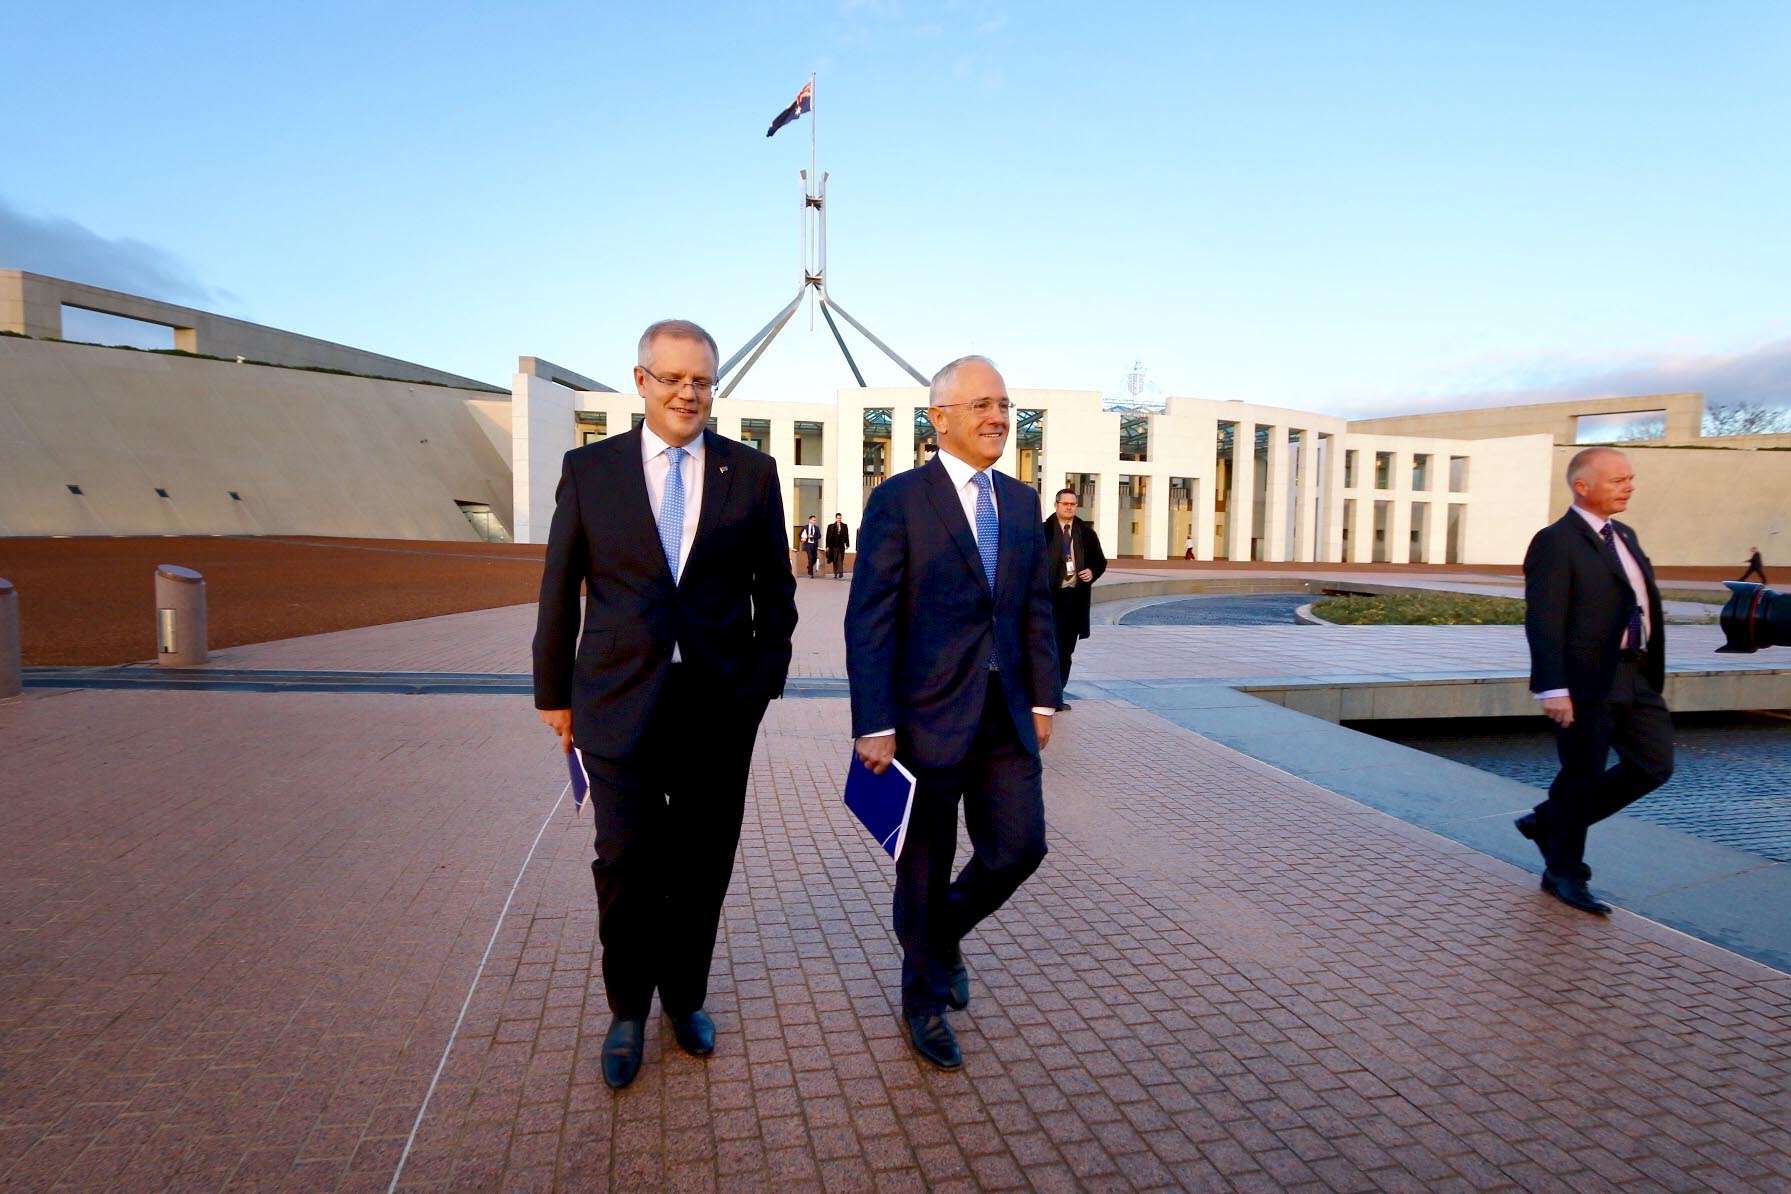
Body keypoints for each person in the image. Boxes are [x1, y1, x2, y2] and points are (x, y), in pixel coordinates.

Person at [532, 319, 798, 1089]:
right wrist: (554, 693)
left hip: (716, 705)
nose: (688, 392)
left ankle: (685, 997)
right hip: (615, 701)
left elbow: (773, 595)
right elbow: (560, 586)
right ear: (641, 380)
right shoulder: (591, 471)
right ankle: (626, 1011)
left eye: (702, 380)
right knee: (625, 861)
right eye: (673, 378)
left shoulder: (750, 473)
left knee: (702, 862)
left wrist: (761, 684)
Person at [846, 355, 1059, 1070]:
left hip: (1004, 716)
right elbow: (868, 617)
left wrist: (1040, 696)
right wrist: (873, 720)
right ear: (939, 418)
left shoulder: (1022, 503)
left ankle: (939, 939)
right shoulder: (899, 500)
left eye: (1004, 404)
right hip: (923, 719)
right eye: (980, 405)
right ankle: (923, 1001)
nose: (998, 417)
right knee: (924, 869)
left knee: (1018, 849)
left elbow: (1036, 608)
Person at [1518, 446, 1673, 915]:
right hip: (1584, 682)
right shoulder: (1555, 541)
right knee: (1582, 776)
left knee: (1654, 765)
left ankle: (1549, 821)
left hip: (1634, 673)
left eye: (1630, 478)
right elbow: (1543, 620)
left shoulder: (1623, 533)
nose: (1629, 486)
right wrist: (1553, 687)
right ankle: (1565, 873)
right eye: (1617, 480)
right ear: (1582, 487)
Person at [1042, 488, 1106, 709]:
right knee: (1046, 648)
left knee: (1065, 650)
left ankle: (1057, 695)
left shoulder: (1086, 533)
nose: (1068, 507)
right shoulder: (1043, 531)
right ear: (1056, 504)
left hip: (1073, 601)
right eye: (1064, 503)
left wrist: (1092, 571)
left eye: (1072, 504)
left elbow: (1100, 561)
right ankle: (1043, 695)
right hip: (1049, 600)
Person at [825, 513, 850, 579]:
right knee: (835, 560)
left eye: (840, 518)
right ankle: (835, 573)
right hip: (833, 546)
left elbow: (847, 535)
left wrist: (847, 544)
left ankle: (841, 573)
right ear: (836, 518)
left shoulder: (844, 526)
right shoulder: (831, 526)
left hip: (841, 546)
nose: (839, 519)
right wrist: (827, 546)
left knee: (840, 559)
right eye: (838, 518)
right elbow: (827, 537)